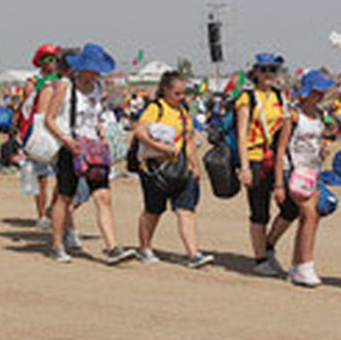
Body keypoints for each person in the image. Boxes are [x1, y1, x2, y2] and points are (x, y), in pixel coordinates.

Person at [43, 43, 135, 265]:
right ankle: (57, 244)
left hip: (93, 149)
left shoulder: (99, 88)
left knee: (103, 197)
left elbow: (97, 116)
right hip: (70, 148)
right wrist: (67, 141)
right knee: (65, 198)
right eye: (92, 68)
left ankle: (112, 247)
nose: (95, 73)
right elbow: (49, 119)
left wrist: (102, 133)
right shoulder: (65, 86)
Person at [132, 71, 214, 268]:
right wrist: (161, 148)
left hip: (181, 168)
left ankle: (193, 253)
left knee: (186, 210)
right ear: (165, 91)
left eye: (183, 93)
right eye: (177, 93)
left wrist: (195, 166)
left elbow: (189, 141)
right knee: (153, 210)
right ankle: (144, 248)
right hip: (155, 169)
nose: (181, 97)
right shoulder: (155, 108)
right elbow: (139, 131)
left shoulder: (183, 112)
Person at [235, 53, 297, 277]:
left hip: (277, 158)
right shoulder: (247, 98)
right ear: (256, 72)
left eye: (273, 69)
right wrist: (244, 167)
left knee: (291, 206)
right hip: (254, 158)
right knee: (259, 211)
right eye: (264, 70)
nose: (269, 74)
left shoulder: (281, 97)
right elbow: (242, 135)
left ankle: (269, 243)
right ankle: (260, 259)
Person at [273, 70, 335, 287]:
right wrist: (279, 183)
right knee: (308, 213)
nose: (320, 96)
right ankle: (305, 266)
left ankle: (298, 264)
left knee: (313, 216)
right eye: (317, 92)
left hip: (312, 171)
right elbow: (281, 150)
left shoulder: (318, 115)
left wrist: (322, 150)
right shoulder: (293, 116)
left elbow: (316, 142)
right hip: (294, 171)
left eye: (322, 92)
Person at [23, 44, 62, 230]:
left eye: (54, 59)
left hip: (57, 128)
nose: (51, 63)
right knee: (42, 177)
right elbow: (28, 109)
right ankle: (41, 215)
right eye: (47, 59)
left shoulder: (61, 80)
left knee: (62, 176)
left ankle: (51, 209)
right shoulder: (34, 81)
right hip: (38, 129)